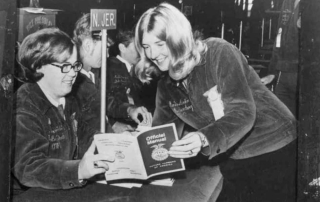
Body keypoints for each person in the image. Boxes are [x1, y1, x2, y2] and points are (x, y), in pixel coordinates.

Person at [134, 2, 297, 201]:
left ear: (178, 39)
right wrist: (137, 148)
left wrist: (203, 138)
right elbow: (163, 136)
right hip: (234, 155)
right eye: (146, 46)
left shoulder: (219, 53)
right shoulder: (165, 85)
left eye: (159, 44)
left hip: (275, 145)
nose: (151, 54)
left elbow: (243, 113)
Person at [12, 28, 114, 191]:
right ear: (38, 66)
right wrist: (78, 170)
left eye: (75, 65)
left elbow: (91, 132)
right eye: (65, 66)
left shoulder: (77, 93)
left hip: (71, 189)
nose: (73, 73)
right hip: (31, 195)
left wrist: (119, 144)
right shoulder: (24, 104)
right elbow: (28, 166)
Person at [72, 13, 114, 131]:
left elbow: (105, 102)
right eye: (105, 47)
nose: (107, 55)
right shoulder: (74, 82)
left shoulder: (93, 73)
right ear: (88, 45)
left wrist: (128, 110)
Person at [106, 29, 152, 133]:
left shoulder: (137, 70)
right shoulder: (109, 68)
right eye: (136, 47)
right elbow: (107, 101)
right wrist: (112, 124)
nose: (141, 52)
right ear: (122, 48)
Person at [260, 0, 300, 117]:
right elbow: (279, 38)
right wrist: (272, 72)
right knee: (283, 121)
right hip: (283, 74)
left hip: (304, 75)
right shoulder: (287, 3)